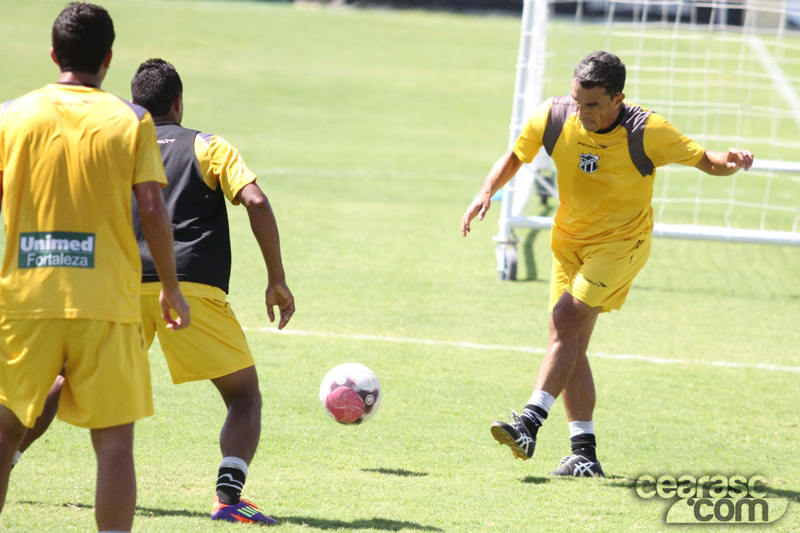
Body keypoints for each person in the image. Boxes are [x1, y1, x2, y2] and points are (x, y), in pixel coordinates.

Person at [14, 57, 296, 524]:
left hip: (119, 289)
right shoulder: (208, 146)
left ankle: (9, 457)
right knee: (244, 396)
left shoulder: (119, 146)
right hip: (190, 289)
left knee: (62, 381)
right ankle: (228, 499)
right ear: (179, 103)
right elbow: (256, 200)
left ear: (133, 104)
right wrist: (276, 278)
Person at [461, 51, 753, 477]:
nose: (582, 113)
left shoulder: (648, 131)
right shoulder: (555, 116)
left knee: (564, 319)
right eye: (578, 102)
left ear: (618, 99)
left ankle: (529, 423)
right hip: (569, 244)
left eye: (593, 105)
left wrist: (733, 162)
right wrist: (486, 191)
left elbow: (707, 162)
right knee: (571, 343)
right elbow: (517, 156)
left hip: (621, 245)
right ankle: (585, 454)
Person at [0, 4, 190, 533]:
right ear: (108, 58)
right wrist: (171, 289)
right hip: (105, 303)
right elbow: (153, 208)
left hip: (25, 300)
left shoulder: (9, 115)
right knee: (113, 445)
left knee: (3, 434)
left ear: (54, 54)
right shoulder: (132, 120)